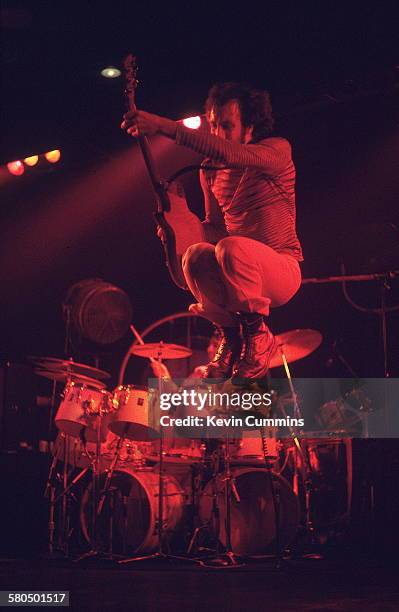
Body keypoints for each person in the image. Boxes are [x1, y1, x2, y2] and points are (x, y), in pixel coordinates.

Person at [121, 82, 303, 384]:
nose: (217, 134)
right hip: (240, 268)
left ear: (251, 126)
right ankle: (232, 337)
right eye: (214, 125)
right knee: (196, 255)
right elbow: (215, 229)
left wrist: (162, 126)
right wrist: (177, 221)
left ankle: (259, 338)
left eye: (227, 126)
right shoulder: (210, 171)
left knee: (231, 248)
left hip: (281, 270)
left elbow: (232, 155)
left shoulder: (276, 151)